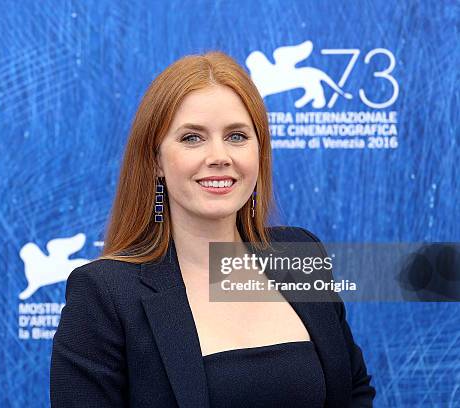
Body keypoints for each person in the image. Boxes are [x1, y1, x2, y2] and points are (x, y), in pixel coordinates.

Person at [50, 51, 375, 407]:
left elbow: (354, 392)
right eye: (192, 138)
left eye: (237, 136)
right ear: (156, 160)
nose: (220, 155)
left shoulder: (299, 253)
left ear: (259, 151)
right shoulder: (105, 293)